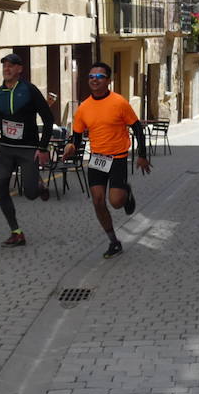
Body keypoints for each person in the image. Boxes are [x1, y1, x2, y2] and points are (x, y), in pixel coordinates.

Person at [63, 62, 151, 259]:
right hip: (97, 159)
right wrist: (71, 146)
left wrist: (143, 155)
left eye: (100, 76)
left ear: (108, 81)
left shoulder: (119, 102)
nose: (94, 79)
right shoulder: (84, 107)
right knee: (98, 200)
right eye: (91, 76)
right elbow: (76, 136)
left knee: (116, 202)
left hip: (118, 158)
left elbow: (137, 128)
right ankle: (113, 241)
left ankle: (126, 193)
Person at [0, 53, 55, 247]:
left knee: (30, 194)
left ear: (20, 69)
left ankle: (37, 185)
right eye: (4, 66)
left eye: (11, 65)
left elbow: (48, 119)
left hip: (27, 149)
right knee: (2, 188)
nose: (7, 69)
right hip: (5, 149)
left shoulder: (30, 90)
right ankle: (16, 232)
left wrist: (43, 147)